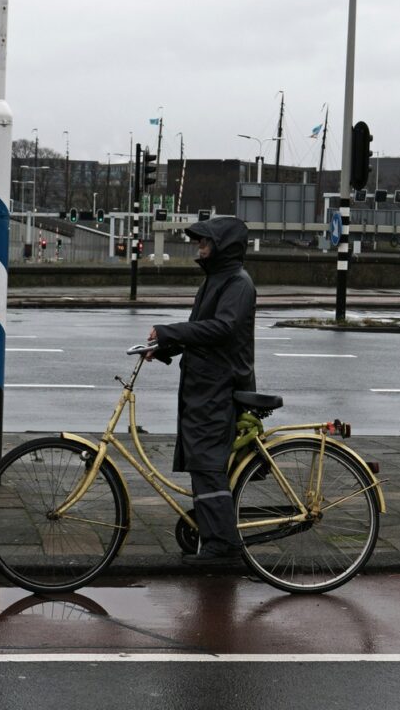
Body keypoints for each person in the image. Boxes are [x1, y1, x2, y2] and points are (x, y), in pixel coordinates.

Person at [147, 216, 256, 565]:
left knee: (208, 465)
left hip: (218, 387)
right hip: (202, 387)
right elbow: (200, 332)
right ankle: (213, 537)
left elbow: (222, 329)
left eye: (204, 242)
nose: (199, 247)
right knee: (202, 463)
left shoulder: (237, 284)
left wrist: (170, 332)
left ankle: (223, 546)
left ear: (221, 246)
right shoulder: (216, 280)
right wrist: (164, 348)